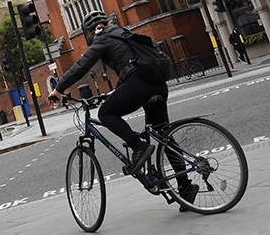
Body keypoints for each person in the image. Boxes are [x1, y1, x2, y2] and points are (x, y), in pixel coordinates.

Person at [47, 11, 199, 209]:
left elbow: (82, 66)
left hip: (141, 83)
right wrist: (117, 90)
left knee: (105, 113)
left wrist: (58, 89)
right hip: (158, 84)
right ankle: (185, 187)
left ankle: (138, 146)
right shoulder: (121, 32)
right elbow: (130, 65)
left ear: (89, 33)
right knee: (164, 134)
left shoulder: (102, 39)